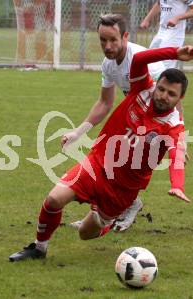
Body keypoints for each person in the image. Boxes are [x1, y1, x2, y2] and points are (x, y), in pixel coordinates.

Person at [9, 45, 193, 262]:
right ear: (156, 85)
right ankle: (39, 248)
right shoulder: (141, 89)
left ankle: (107, 222)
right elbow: (139, 58)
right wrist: (175, 53)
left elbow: (177, 155)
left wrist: (177, 185)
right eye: (162, 89)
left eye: (171, 94)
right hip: (97, 164)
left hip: (122, 189)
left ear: (180, 99)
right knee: (54, 199)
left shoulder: (173, 125)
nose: (163, 96)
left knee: (85, 233)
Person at [66, 14, 167, 233]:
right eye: (103, 40)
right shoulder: (108, 64)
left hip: (155, 126)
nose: (108, 46)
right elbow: (104, 102)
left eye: (113, 39)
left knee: (117, 164)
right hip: (132, 120)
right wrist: (78, 132)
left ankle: (123, 207)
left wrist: (175, 137)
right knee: (107, 162)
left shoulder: (141, 58)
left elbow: (172, 97)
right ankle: (111, 212)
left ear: (125, 36)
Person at [140, 0, 193, 69]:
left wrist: (177, 18)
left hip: (175, 33)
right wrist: (147, 19)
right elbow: (159, 3)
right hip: (161, 31)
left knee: (165, 66)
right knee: (150, 60)